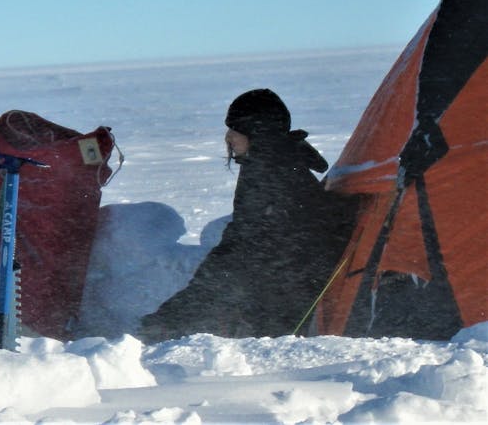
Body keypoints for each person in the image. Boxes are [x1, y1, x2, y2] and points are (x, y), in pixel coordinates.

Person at [138, 89, 357, 342]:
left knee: (223, 292)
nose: (228, 136)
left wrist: (179, 313)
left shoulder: (272, 171)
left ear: (257, 131)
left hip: (292, 287)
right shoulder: (270, 163)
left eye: (236, 129)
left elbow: (258, 243)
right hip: (283, 279)